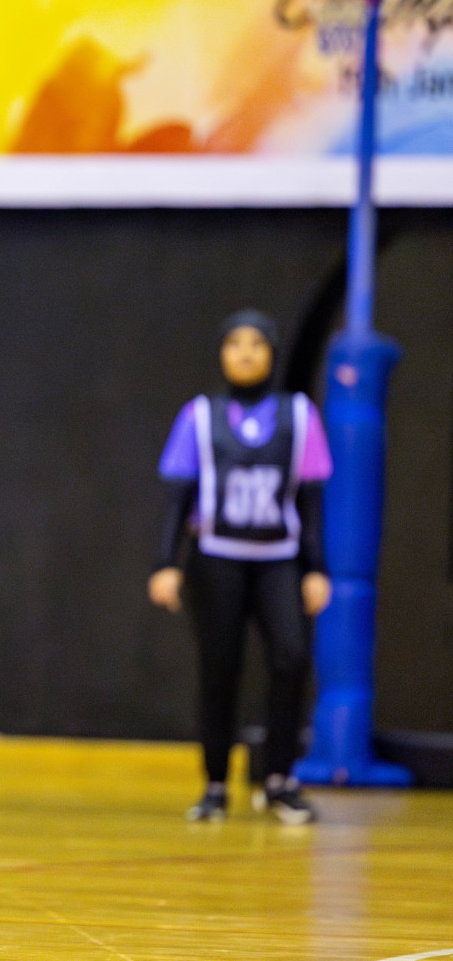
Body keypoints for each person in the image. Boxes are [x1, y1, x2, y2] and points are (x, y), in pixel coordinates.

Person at [148, 309, 333, 825]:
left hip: (278, 561)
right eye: (235, 343)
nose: (246, 353)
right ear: (222, 354)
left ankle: (279, 779)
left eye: (257, 343)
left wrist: (317, 568)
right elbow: (178, 497)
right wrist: (166, 563)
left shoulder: (300, 416)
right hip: (217, 560)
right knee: (219, 667)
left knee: (291, 659)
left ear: (272, 352)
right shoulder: (199, 416)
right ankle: (214, 784)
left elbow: (312, 502)